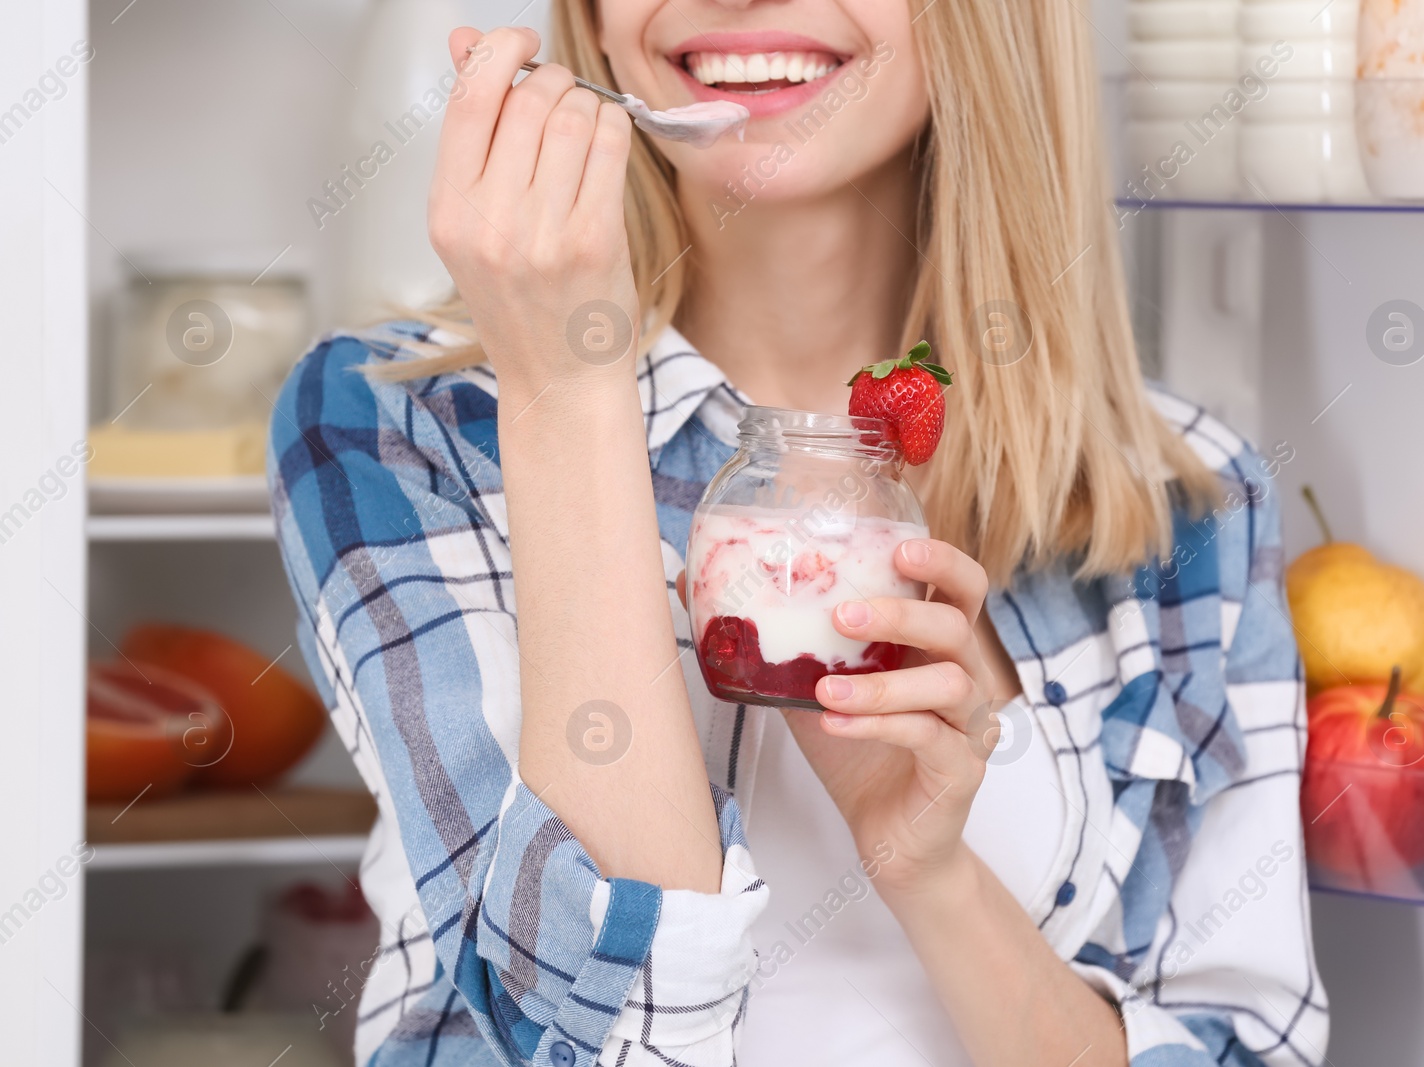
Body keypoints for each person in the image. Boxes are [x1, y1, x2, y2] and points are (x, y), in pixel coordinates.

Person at [268, 4, 1327, 1065]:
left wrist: (931, 874)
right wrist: (565, 385)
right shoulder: (400, 426)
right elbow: (594, 1044)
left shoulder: (1184, 496)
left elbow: (1238, 1044)